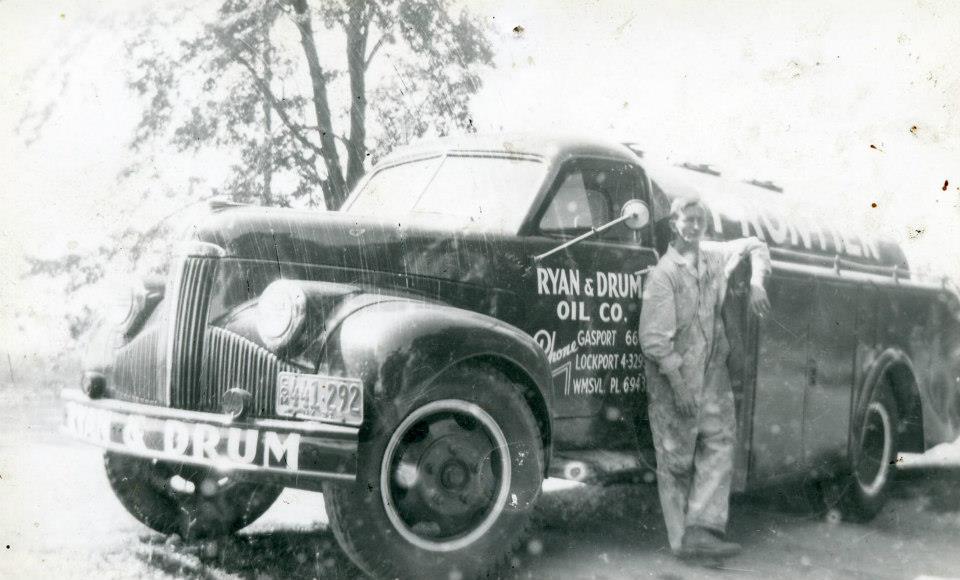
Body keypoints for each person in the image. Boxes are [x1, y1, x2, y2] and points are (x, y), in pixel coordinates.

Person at [639, 196, 771, 559]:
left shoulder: (712, 256)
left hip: (711, 376)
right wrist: (679, 386)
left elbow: (756, 245)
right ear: (673, 224)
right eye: (688, 219)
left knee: (719, 442)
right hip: (673, 382)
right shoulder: (663, 274)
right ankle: (682, 542)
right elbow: (653, 341)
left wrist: (758, 282)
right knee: (676, 461)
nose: (695, 226)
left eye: (700, 220)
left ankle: (704, 529)